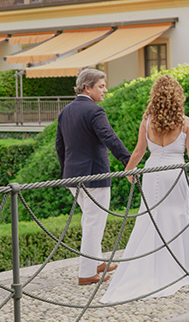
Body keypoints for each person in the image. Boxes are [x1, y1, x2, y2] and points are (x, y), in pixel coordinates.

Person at [100, 75, 189, 304]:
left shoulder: (147, 121)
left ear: (154, 96)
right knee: (178, 217)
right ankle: (182, 266)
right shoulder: (185, 122)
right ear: (177, 96)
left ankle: (146, 266)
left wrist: (129, 170)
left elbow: (138, 151)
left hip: (152, 172)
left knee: (149, 218)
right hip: (174, 173)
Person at [55, 68, 132, 286]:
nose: (105, 90)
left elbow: (59, 146)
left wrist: (64, 175)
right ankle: (87, 273)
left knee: (89, 219)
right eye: (101, 86)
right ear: (87, 88)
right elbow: (109, 137)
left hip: (72, 177)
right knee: (94, 223)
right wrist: (129, 162)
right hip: (95, 175)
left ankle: (97, 262)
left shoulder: (65, 112)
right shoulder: (95, 111)